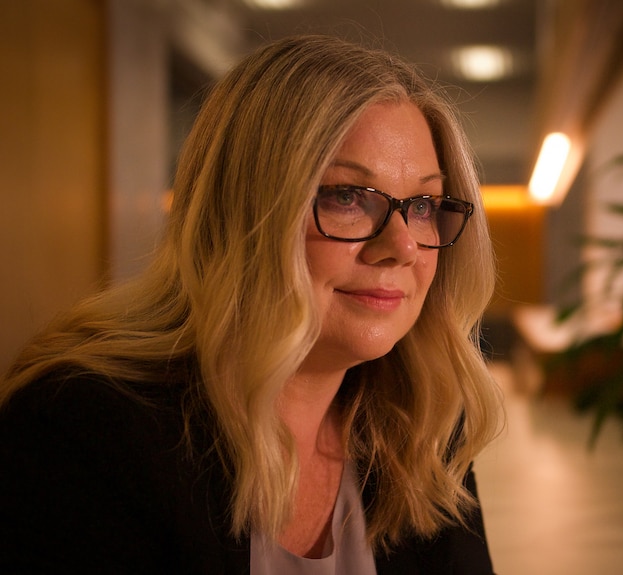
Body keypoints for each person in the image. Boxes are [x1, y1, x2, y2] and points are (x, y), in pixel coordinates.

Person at [0, 35, 503, 574]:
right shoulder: (87, 427)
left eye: (424, 204)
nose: (403, 247)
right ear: (245, 214)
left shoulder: (423, 427)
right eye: (346, 196)